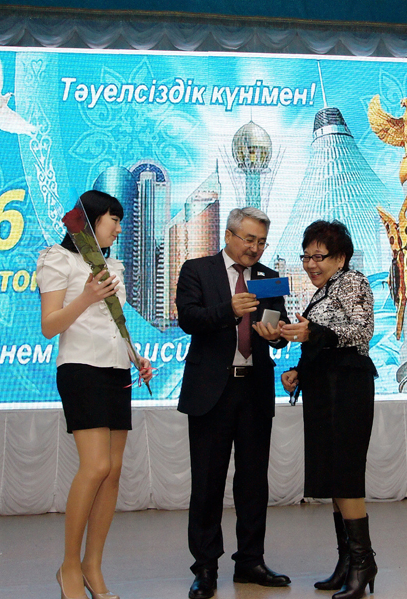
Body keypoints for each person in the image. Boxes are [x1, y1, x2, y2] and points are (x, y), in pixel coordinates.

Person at [37, 190, 153, 599]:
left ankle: (93, 565)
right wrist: (86, 296)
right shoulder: (58, 259)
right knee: (96, 466)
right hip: (80, 369)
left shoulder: (111, 265)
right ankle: (69, 566)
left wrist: (135, 356)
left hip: (116, 370)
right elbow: (49, 326)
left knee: (114, 470)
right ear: (91, 221)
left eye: (120, 221)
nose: (119, 228)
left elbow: (111, 324)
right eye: (113, 220)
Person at [175, 207, 290, 599]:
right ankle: (205, 568)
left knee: (253, 482)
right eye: (249, 239)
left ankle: (251, 561)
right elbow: (188, 318)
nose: (254, 248)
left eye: (261, 242)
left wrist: (276, 335)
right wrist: (229, 310)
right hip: (211, 390)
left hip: (254, 389)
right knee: (207, 482)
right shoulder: (197, 270)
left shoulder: (268, 278)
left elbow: (278, 329)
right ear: (228, 236)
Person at [280, 220, 378, 599]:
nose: (310, 264)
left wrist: (314, 334)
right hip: (326, 389)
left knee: (346, 473)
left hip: (347, 388)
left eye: (318, 257)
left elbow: (361, 331)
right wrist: (298, 371)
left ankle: (363, 561)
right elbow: (322, 345)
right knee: (335, 474)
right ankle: (347, 561)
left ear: (340, 258)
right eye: (306, 256)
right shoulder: (324, 292)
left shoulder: (352, 281)